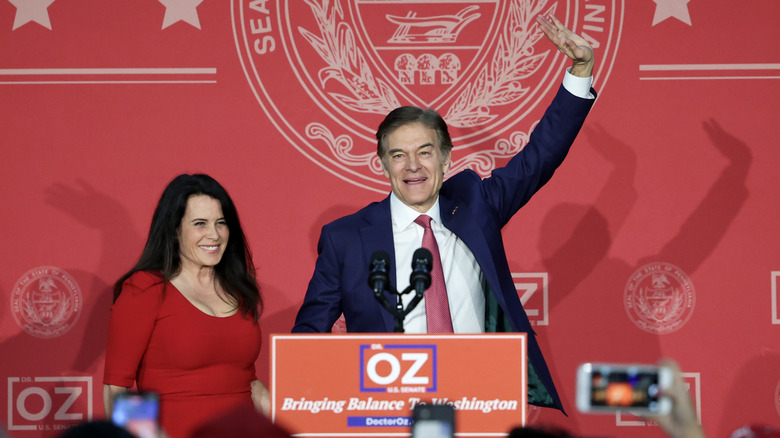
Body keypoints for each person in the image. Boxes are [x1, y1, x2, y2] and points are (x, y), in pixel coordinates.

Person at [292, 14, 596, 413]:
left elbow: (538, 158)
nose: (412, 166)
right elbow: (309, 334)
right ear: (382, 164)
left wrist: (580, 70)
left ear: (447, 157)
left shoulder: (474, 207)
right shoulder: (346, 238)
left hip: (482, 400)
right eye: (398, 155)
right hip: (387, 413)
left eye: (425, 152)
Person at [103, 174, 267, 438]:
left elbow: (248, 381)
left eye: (221, 223)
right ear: (174, 229)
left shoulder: (238, 288)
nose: (214, 234)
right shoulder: (145, 289)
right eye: (200, 223)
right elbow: (116, 390)